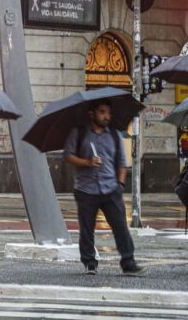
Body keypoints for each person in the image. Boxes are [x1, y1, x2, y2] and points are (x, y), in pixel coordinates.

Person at [63, 99, 145, 277]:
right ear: (92, 114)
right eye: (102, 112)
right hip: (86, 190)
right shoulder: (80, 132)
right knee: (87, 230)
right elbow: (68, 155)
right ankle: (90, 263)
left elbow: (122, 164)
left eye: (108, 112)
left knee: (120, 226)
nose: (106, 116)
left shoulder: (115, 135)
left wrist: (120, 185)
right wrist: (87, 162)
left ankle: (128, 262)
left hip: (110, 189)